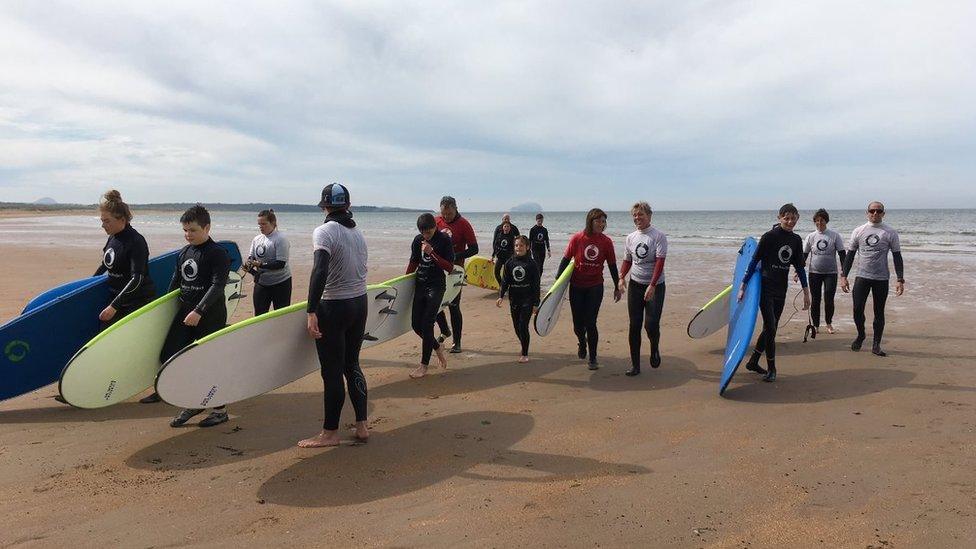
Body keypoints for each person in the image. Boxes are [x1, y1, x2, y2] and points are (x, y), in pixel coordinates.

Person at [300, 183, 370, 447]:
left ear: (325, 206)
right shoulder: (358, 233)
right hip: (359, 304)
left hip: (334, 307)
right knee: (352, 364)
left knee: (331, 371)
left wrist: (311, 310)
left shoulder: (324, 231)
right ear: (348, 206)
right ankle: (362, 425)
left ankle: (330, 433)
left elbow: (319, 271)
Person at [159, 205, 232, 426]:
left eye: (192, 230)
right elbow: (176, 283)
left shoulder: (218, 253)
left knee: (208, 362)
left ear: (207, 227)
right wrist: (160, 309)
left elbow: (218, 285)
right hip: (186, 313)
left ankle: (219, 410)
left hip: (210, 314)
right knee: (169, 355)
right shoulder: (184, 252)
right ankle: (194, 402)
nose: (188, 234)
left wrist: (199, 310)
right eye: (185, 230)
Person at [738, 203, 811, 382]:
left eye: (793, 218)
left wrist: (806, 291)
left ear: (797, 219)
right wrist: (743, 285)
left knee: (772, 327)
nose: (790, 221)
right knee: (770, 327)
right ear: (779, 218)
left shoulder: (795, 240)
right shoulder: (769, 237)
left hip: (781, 288)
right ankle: (772, 368)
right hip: (766, 286)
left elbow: (800, 268)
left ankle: (754, 361)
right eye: (786, 218)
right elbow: (754, 261)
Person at [556, 208, 621, 370]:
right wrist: (557, 283)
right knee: (578, 324)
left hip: (595, 286)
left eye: (604, 221)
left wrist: (616, 286)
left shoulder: (606, 242)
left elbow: (612, 265)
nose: (602, 224)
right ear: (590, 221)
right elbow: (565, 260)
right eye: (598, 221)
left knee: (591, 322)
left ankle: (593, 357)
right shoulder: (577, 238)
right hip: (577, 286)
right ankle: (582, 342)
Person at [841, 201, 904, 357]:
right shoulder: (858, 231)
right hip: (862, 276)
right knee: (857, 310)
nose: (875, 213)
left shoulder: (890, 232)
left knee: (879, 312)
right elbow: (850, 255)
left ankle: (876, 344)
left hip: (881, 278)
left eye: (878, 211)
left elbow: (897, 256)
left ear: (883, 213)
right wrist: (843, 276)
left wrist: (900, 279)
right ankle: (861, 335)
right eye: (872, 210)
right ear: (867, 212)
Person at [94, 190, 157, 330]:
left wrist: (114, 306)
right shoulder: (113, 237)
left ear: (122, 219)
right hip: (117, 298)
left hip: (137, 302)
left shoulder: (136, 241)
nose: (103, 225)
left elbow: (137, 279)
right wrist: (87, 286)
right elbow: (105, 265)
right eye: (102, 221)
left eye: (107, 221)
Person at [618, 201, 667, 376]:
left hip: (656, 286)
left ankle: (654, 348)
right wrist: (621, 277)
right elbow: (627, 260)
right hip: (636, 286)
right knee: (634, 325)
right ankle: (635, 365)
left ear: (649, 216)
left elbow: (660, 262)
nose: (637, 218)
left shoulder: (658, 236)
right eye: (635, 215)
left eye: (641, 214)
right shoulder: (630, 238)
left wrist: (652, 285)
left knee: (651, 325)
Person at [406, 213, 455, 378]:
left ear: (435, 227)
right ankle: (437, 346)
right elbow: (413, 262)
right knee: (415, 325)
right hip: (420, 284)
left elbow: (449, 267)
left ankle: (423, 366)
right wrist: (403, 282)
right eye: (423, 232)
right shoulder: (417, 240)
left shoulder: (444, 240)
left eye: (428, 232)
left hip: (436, 285)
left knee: (427, 324)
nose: (426, 235)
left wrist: (431, 252)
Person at [434, 196, 479, 353]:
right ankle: (445, 330)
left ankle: (457, 342)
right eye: (443, 214)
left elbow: (474, 249)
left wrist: (456, 255)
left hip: (456, 271)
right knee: (436, 305)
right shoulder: (437, 221)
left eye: (449, 214)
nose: (446, 217)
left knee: (453, 306)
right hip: (438, 268)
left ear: (456, 209)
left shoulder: (464, 224)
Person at [496, 235, 541, 362]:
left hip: (527, 299)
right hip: (514, 299)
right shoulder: (510, 263)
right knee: (516, 327)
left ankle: (525, 353)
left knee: (522, 326)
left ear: (527, 247)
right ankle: (524, 344)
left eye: (521, 245)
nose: (518, 248)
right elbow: (505, 281)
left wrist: (536, 303)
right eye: (516, 245)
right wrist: (501, 295)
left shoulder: (532, 264)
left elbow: (536, 285)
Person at [801, 208, 845, 334]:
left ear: (827, 221)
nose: (820, 223)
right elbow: (804, 255)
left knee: (829, 299)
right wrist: (797, 271)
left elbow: (842, 254)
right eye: (817, 221)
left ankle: (829, 323)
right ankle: (816, 325)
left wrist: (844, 272)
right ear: (814, 222)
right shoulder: (811, 236)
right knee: (816, 299)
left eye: (822, 220)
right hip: (814, 273)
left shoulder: (834, 236)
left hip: (831, 273)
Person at [245, 209, 292, 315]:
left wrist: (261, 265)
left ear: (273, 223)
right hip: (262, 283)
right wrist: (250, 266)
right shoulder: (256, 239)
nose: (261, 227)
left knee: (280, 316)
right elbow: (251, 257)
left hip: (281, 283)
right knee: (259, 315)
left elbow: (281, 264)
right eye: (259, 224)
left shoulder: (280, 239)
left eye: (264, 224)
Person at [492, 220, 516, 287]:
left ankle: (507, 286)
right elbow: (496, 246)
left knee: (506, 274)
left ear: (510, 228)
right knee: (496, 272)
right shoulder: (499, 235)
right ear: (502, 227)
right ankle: (501, 285)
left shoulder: (512, 237)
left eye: (508, 226)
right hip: (500, 258)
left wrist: (514, 257)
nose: (506, 228)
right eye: (505, 226)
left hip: (507, 258)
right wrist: (493, 256)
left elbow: (514, 248)